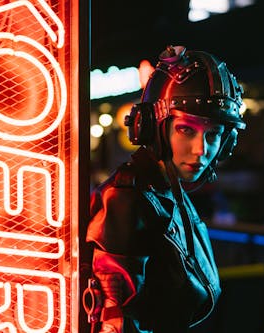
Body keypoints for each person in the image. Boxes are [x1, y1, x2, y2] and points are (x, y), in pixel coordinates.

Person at [84, 45, 246, 333]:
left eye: (213, 134)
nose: (201, 150)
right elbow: (116, 322)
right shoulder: (126, 198)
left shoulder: (167, 192)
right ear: (152, 128)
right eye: (187, 130)